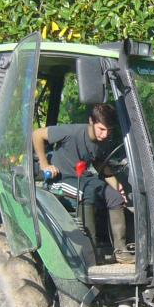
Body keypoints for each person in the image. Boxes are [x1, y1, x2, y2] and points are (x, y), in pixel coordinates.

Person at [32, 103, 133, 263]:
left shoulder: (102, 141)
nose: (105, 134)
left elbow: (100, 163)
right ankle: (89, 253)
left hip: (83, 179)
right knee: (87, 193)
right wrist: (45, 164)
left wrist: (117, 186)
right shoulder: (72, 132)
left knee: (115, 197)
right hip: (60, 180)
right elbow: (37, 134)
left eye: (109, 130)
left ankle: (120, 251)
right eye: (101, 129)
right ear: (91, 122)